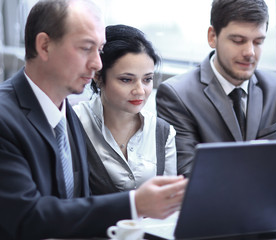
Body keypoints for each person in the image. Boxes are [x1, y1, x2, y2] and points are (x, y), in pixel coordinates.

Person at [0, 0, 187, 239]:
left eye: (99, 50)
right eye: (86, 48)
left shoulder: (65, 114)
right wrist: (134, 204)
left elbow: (76, 208)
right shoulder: (6, 117)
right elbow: (27, 217)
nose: (97, 64)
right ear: (44, 46)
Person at [156, 0, 276, 183]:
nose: (250, 52)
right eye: (238, 41)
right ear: (212, 37)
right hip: (211, 210)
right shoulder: (177, 95)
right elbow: (187, 174)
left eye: (258, 42)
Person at [74, 24, 177, 195]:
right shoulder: (74, 122)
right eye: (126, 80)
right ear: (98, 77)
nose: (140, 90)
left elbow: (168, 199)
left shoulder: (163, 132)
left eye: (147, 79)